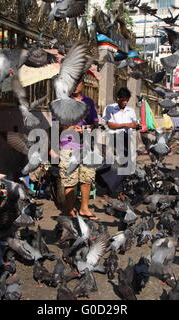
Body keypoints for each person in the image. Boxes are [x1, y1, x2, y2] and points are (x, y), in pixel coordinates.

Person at [57, 75, 99, 220]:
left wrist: (85, 128)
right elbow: (58, 126)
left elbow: (94, 124)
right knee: (70, 180)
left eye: (77, 83)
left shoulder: (89, 102)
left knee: (87, 178)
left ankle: (84, 208)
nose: (74, 86)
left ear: (83, 84)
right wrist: (69, 128)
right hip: (68, 146)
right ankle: (70, 210)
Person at [100, 87, 139, 197]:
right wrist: (127, 124)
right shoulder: (110, 108)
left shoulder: (130, 110)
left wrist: (135, 125)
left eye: (127, 100)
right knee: (111, 163)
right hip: (113, 138)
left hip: (126, 137)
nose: (125, 102)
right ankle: (109, 186)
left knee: (124, 163)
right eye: (123, 100)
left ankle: (119, 189)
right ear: (118, 98)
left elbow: (135, 123)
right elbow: (111, 125)